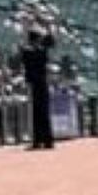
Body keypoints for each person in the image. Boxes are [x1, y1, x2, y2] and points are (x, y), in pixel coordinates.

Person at [19, 22, 56, 151]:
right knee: (44, 112)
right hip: (42, 82)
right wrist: (49, 27)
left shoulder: (29, 51)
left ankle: (37, 141)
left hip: (34, 84)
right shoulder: (42, 50)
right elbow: (51, 41)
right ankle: (47, 140)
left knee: (36, 113)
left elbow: (23, 51)